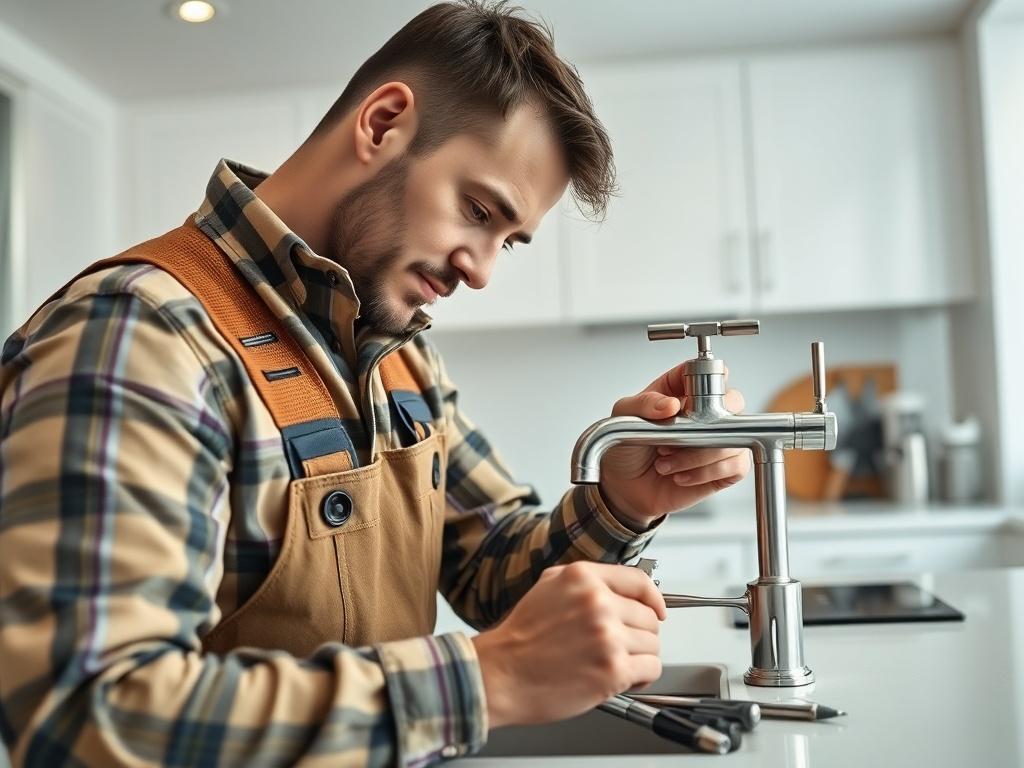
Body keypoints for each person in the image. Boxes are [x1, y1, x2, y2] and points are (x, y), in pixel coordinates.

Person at [0, 2, 750, 765]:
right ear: (384, 122)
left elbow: (494, 574)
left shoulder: (399, 357)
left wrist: (625, 498)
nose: (482, 270)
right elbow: (87, 715)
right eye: (478, 210)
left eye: (508, 241)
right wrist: (485, 681)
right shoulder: (138, 334)